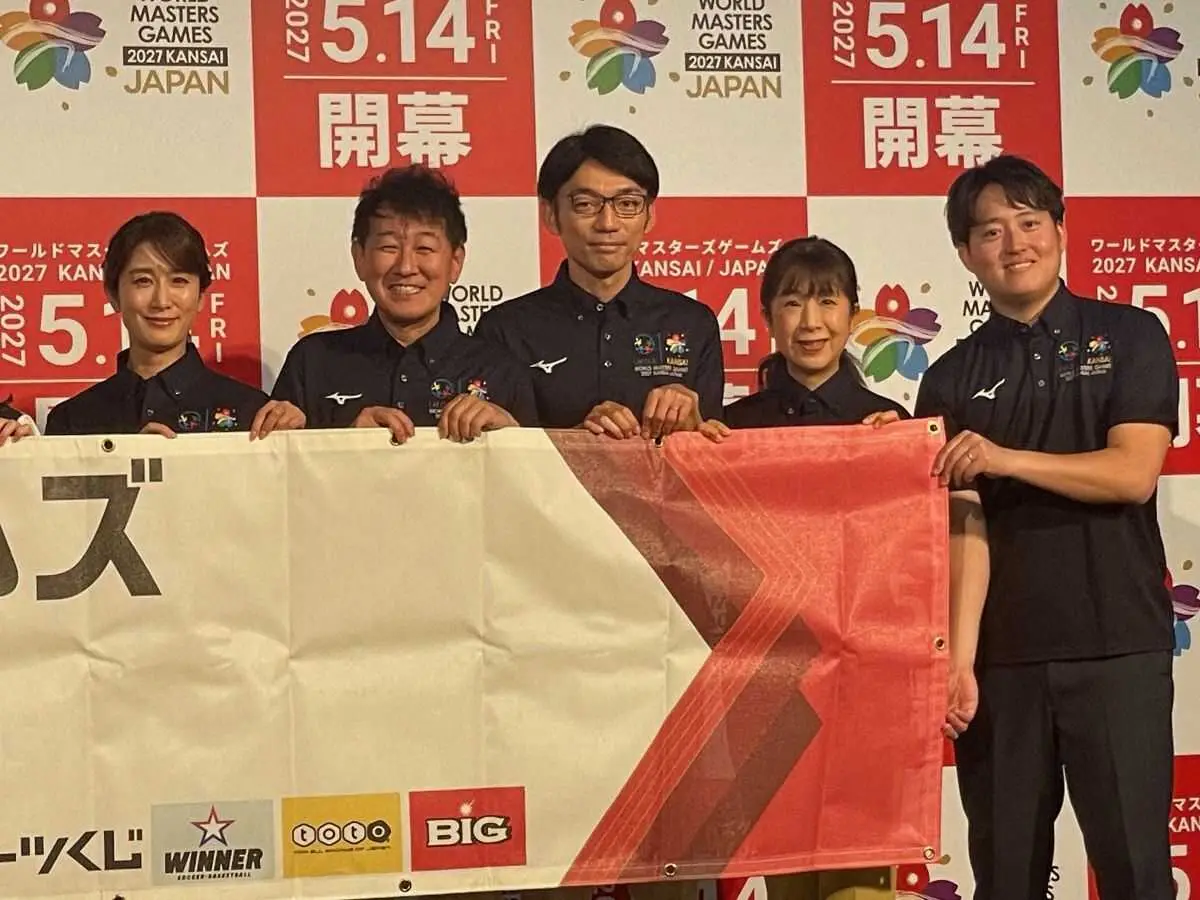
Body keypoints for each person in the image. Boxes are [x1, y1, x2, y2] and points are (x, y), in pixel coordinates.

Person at [916, 154, 1177, 900]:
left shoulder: (1130, 335)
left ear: (1060, 230)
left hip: (1118, 646)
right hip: (1004, 664)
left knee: (1135, 872)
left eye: (1029, 222)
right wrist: (959, 659)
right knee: (1005, 877)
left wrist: (1006, 458)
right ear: (966, 253)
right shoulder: (950, 376)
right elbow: (964, 527)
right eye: (990, 231)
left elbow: (1133, 472)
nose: (1014, 243)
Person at [473, 125, 724, 439]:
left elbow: (713, 453)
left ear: (649, 215)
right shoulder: (504, 330)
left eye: (628, 204)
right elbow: (498, 453)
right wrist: (581, 442)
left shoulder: (692, 322)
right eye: (585, 204)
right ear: (550, 215)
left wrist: (692, 425)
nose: (608, 223)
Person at [265, 165, 536, 444]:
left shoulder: (500, 370)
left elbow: (538, 471)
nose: (406, 267)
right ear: (359, 257)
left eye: (424, 249)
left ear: (455, 262)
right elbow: (277, 467)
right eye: (388, 247)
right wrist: (345, 439)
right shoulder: (312, 362)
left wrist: (512, 436)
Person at [44, 212, 295, 438]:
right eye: (143, 281)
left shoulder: (253, 414)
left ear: (201, 296)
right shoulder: (71, 421)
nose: (162, 301)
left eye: (179, 281)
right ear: (113, 294)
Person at [696, 236, 907, 442]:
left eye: (827, 302)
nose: (811, 323)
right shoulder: (732, 428)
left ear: (852, 315)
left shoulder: (890, 425)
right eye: (793, 304)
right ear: (768, 319)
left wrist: (904, 444)